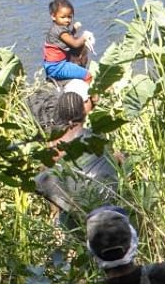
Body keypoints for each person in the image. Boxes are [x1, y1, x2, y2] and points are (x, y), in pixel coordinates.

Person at [34, 80, 118, 228]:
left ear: (60, 113)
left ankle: (59, 226)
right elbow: (107, 164)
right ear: (83, 112)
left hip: (68, 210)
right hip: (99, 210)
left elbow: (42, 179)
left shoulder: (54, 144)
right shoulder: (96, 138)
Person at [43, 0, 93, 83]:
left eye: (69, 17)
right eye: (63, 17)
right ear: (53, 16)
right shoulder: (60, 31)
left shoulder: (57, 28)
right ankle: (89, 96)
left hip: (51, 66)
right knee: (88, 76)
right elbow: (75, 44)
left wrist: (73, 29)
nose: (67, 20)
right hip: (58, 67)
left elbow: (67, 39)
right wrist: (84, 37)